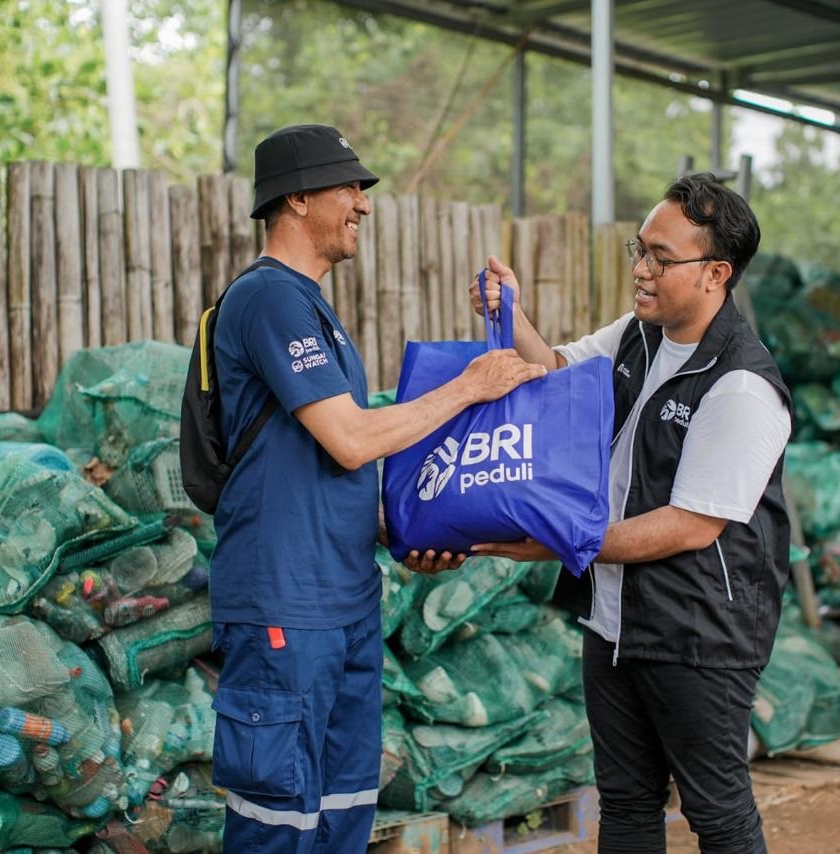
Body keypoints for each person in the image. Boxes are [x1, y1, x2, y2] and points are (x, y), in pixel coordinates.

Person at [209, 123, 545, 854]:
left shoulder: (317, 312)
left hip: (345, 602)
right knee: (278, 824)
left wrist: (412, 535)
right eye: (349, 187)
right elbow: (354, 438)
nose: (363, 204)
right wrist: (467, 388)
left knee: (344, 812)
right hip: (284, 606)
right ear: (296, 198)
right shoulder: (268, 299)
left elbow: (334, 468)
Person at [469, 173, 793, 854]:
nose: (641, 270)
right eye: (638, 250)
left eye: (661, 258)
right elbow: (558, 373)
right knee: (625, 804)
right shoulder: (638, 337)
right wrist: (513, 314)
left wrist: (560, 542)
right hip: (615, 621)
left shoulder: (741, 385)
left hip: (699, 631)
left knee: (718, 812)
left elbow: (689, 525)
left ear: (716, 274)